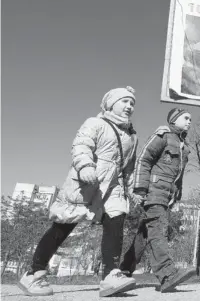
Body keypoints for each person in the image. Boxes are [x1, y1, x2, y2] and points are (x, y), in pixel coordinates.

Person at [18, 86, 143, 297]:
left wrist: (131, 190)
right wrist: (85, 166)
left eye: (132, 104)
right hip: (86, 184)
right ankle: (34, 273)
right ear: (110, 103)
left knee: (116, 221)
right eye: (124, 101)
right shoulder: (95, 123)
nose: (129, 106)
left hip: (113, 187)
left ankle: (110, 275)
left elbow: (129, 167)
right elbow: (81, 145)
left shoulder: (133, 136)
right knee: (62, 227)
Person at [119, 107, 195, 293]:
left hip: (165, 196)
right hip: (153, 192)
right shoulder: (163, 136)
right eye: (185, 118)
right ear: (174, 119)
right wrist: (139, 188)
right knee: (158, 230)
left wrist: (177, 194)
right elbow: (144, 160)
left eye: (191, 119)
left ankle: (122, 271)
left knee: (145, 234)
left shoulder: (183, 146)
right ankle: (167, 275)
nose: (189, 121)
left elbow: (179, 175)